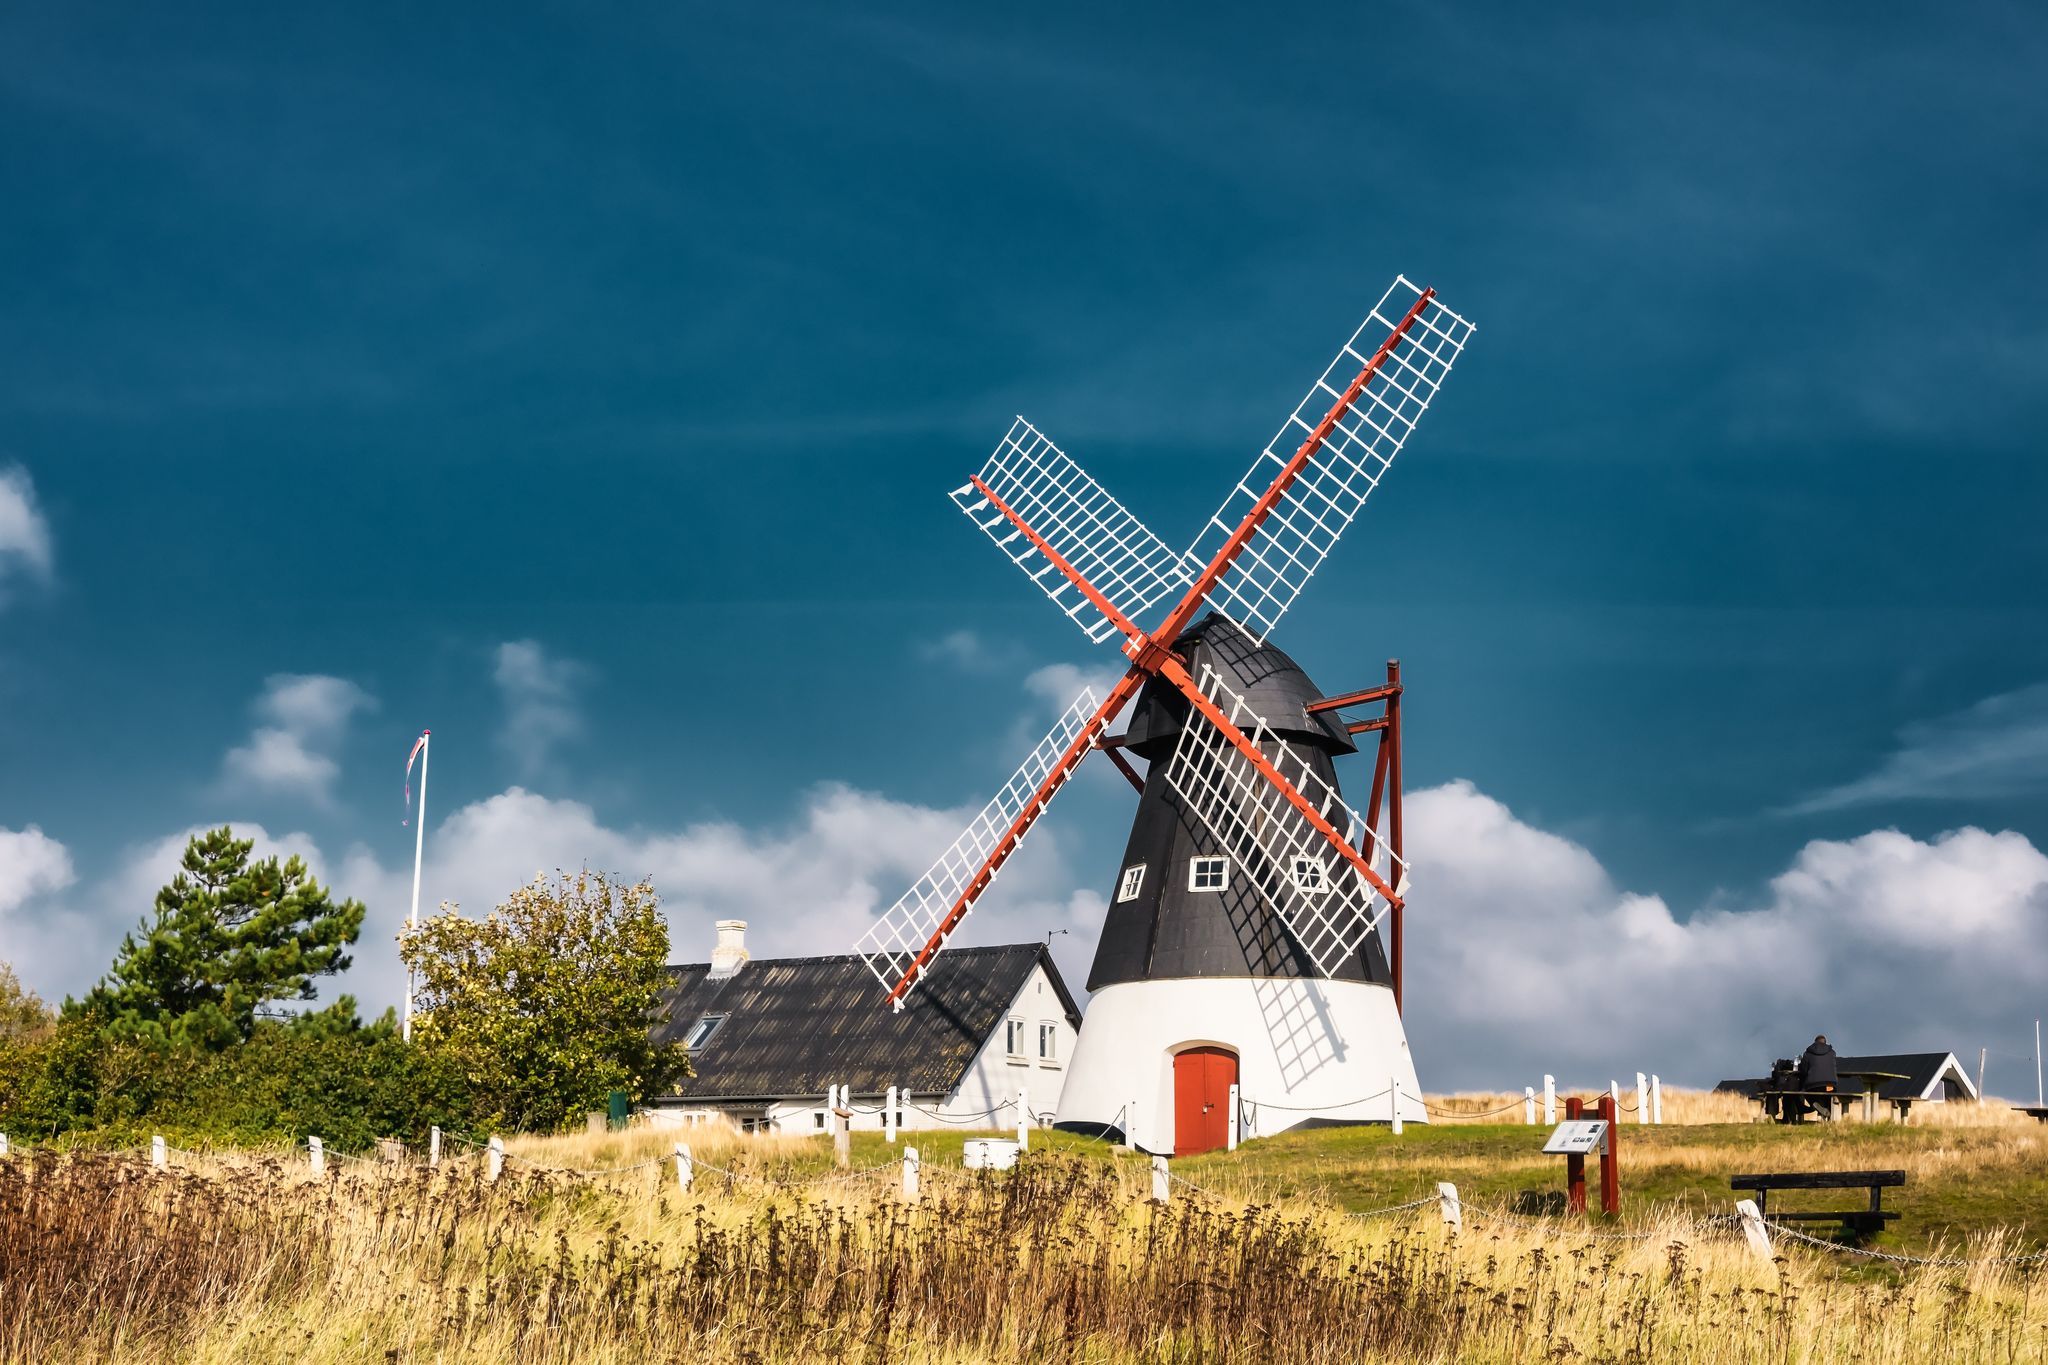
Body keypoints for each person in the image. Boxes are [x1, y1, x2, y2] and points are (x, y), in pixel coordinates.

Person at [1797, 1035, 1840, 1118]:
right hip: (1830, 1085)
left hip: (1813, 1085)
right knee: (1829, 1096)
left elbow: (1804, 1070)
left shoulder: (1808, 1053)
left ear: (1815, 1042)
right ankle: (1826, 1115)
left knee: (1805, 1092)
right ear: (1825, 1042)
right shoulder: (1832, 1053)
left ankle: (1814, 1104)